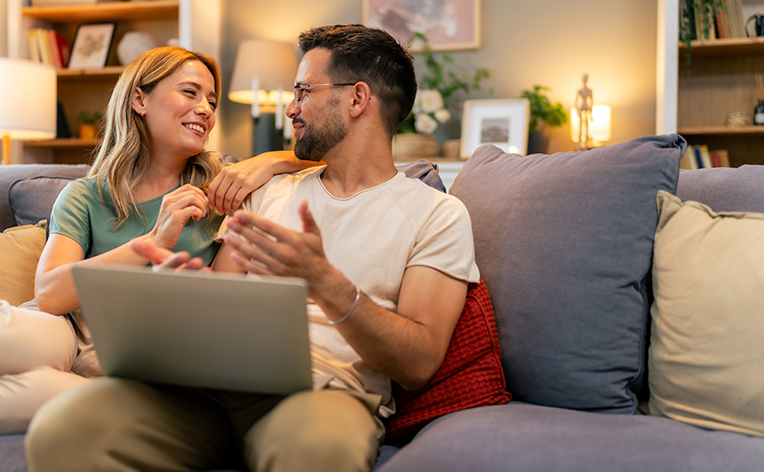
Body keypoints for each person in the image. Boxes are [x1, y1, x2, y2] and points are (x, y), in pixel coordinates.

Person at [25, 25, 479, 472]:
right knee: (64, 430)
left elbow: (418, 363)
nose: (289, 107)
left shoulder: (437, 215)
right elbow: (217, 295)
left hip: (323, 393)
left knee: (317, 454)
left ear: (358, 99)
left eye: (303, 91)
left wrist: (325, 282)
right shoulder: (269, 192)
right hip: (205, 385)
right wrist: (179, 286)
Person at [0, 46, 316, 440]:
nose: (205, 109)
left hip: (139, 353)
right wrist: (152, 241)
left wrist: (271, 159)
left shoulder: (224, 190)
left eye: (211, 100)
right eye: (190, 92)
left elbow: (336, 159)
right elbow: (49, 294)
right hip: (66, 326)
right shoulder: (86, 195)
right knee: (25, 340)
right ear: (139, 99)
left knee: (66, 402)